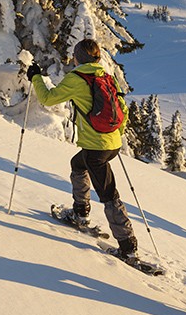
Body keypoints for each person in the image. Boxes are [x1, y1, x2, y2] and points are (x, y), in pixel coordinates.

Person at [26, 38, 138, 259]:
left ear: (78, 57)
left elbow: (48, 99)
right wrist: (116, 133)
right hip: (111, 143)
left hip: (97, 148)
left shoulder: (77, 78)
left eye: (74, 56)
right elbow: (123, 108)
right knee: (78, 164)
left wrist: (36, 77)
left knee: (108, 195)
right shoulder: (107, 77)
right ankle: (80, 212)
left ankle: (128, 247)